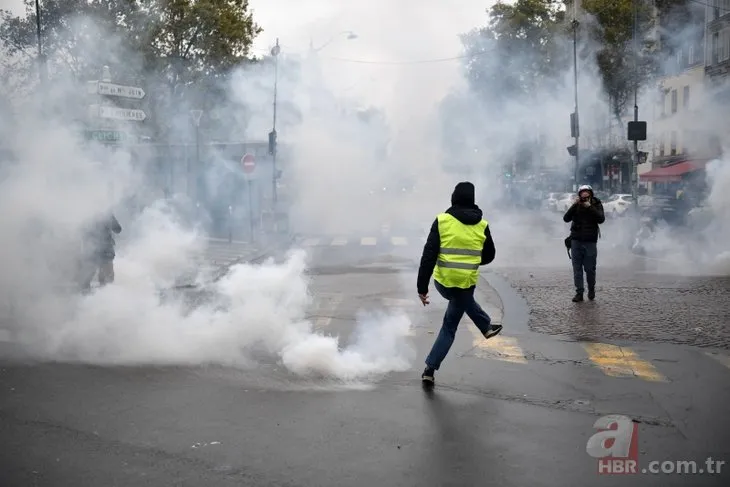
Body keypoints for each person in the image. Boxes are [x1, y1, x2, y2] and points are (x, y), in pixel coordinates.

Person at [416, 181, 502, 384]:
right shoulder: (482, 224)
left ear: (454, 197)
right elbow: (490, 255)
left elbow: (428, 255)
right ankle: (485, 325)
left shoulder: (442, 220)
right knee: (450, 325)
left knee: (451, 320)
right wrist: (472, 260)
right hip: (466, 282)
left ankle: (429, 370)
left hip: (443, 281)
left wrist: (422, 287)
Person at [563, 184, 605, 302]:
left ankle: (591, 289)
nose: (584, 195)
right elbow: (566, 218)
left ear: (591, 194)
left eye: (587, 192)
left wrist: (590, 207)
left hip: (590, 241)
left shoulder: (596, 203)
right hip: (576, 241)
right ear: (579, 195)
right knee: (577, 269)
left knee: (590, 269)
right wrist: (575, 205)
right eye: (582, 193)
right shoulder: (576, 205)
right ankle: (579, 293)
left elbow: (601, 219)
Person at [79, 212, 122, 291]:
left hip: (94, 251)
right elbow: (118, 229)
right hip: (103, 251)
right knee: (106, 280)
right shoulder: (106, 213)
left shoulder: (86, 213)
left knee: (88, 278)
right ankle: (102, 297)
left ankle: (95, 298)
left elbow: (118, 229)